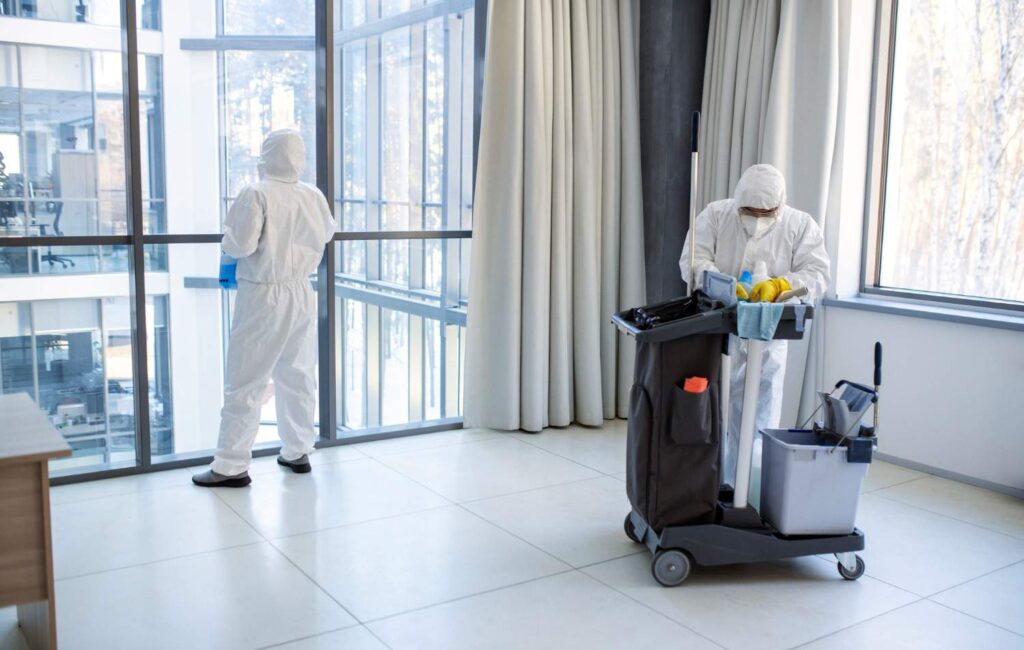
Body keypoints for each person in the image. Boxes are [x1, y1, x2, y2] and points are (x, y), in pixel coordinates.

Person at [193, 130, 336, 488]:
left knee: (246, 379)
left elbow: (240, 245)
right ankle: (297, 450)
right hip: (301, 291)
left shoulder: (255, 193)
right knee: (297, 374)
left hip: (263, 295)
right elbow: (328, 233)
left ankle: (230, 465)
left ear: (266, 155)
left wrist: (228, 238)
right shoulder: (312, 194)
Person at [679, 163, 830, 487]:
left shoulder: (799, 225)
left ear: (779, 206)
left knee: (758, 422)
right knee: (710, 415)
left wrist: (780, 286)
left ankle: (744, 494)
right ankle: (706, 490)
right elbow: (692, 260)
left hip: (768, 339)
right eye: (750, 211)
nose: (757, 219)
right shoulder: (717, 215)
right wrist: (719, 283)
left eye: (766, 213)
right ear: (737, 203)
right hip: (718, 333)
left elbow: (817, 276)